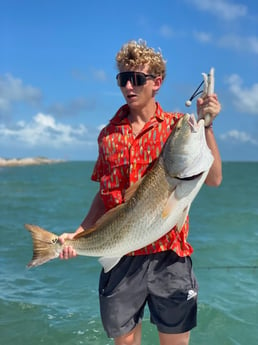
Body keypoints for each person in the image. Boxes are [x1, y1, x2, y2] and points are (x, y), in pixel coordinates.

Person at [59, 39, 222, 345]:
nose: (129, 86)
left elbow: (213, 179)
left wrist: (208, 126)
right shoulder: (108, 136)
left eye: (138, 79)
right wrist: (79, 232)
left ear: (156, 82)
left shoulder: (177, 127)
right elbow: (104, 195)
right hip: (121, 257)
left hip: (170, 257)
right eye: (123, 78)